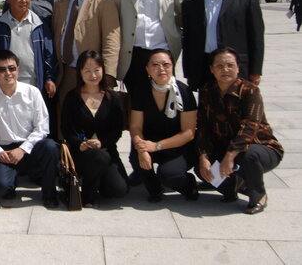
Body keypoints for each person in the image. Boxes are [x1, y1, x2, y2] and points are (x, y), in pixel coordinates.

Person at [196, 47, 283, 214]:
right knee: (202, 168)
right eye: (219, 66)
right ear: (212, 69)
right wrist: (203, 156)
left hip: (260, 147)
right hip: (224, 145)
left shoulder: (250, 90)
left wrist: (230, 155)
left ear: (238, 67)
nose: (225, 70)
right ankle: (233, 186)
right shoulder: (207, 91)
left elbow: (249, 126)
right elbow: (203, 126)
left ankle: (258, 194)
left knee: (248, 156)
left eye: (230, 65)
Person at [0, 50, 60, 208]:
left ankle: (49, 194)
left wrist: (22, 150)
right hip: (6, 151)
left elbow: (42, 128)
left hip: (30, 147)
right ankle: (15, 175)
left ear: (18, 70)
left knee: (50, 147)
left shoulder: (32, 92)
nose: (8, 73)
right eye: (2, 70)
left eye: (12, 68)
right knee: (2, 189)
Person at [53, 0, 120, 133]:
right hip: (67, 72)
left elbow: (111, 40)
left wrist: (109, 73)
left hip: (93, 75)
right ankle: (68, 157)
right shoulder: (60, 4)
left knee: (94, 120)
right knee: (67, 121)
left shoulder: (103, 3)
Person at [110, 0, 186, 94]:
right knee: (136, 102)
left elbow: (181, 15)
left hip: (163, 52)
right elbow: (115, 26)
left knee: (165, 99)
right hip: (134, 56)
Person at [182, 0, 264, 90]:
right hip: (204, 68)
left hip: (235, 68)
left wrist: (255, 71)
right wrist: (189, 73)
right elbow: (188, 41)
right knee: (207, 110)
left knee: (237, 108)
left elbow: (256, 37)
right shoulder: (190, 4)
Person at [128, 49, 198, 203]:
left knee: (168, 174)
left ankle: (189, 185)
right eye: (155, 65)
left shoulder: (184, 92)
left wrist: (156, 146)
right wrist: (141, 148)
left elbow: (188, 133)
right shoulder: (141, 90)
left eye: (166, 64)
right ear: (147, 69)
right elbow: (135, 126)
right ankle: (155, 189)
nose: (161, 69)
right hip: (149, 143)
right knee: (136, 159)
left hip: (179, 146)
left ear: (172, 66)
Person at [61, 51, 128, 207]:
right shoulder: (72, 97)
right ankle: (88, 196)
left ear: (103, 70)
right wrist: (79, 143)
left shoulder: (113, 98)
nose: (93, 75)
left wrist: (102, 142)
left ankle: (95, 181)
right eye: (87, 70)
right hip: (81, 153)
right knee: (98, 158)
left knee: (120, 189)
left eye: (97, 70)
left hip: (106, 150)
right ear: (80, 72)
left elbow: (117, 129)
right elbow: (66, 127)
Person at [0, 0, 57, 133]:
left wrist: (49, 78)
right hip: (8, 86)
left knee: (37, 125)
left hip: (35, 84)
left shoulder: (39, 25)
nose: (24, 0)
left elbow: (49, 54)